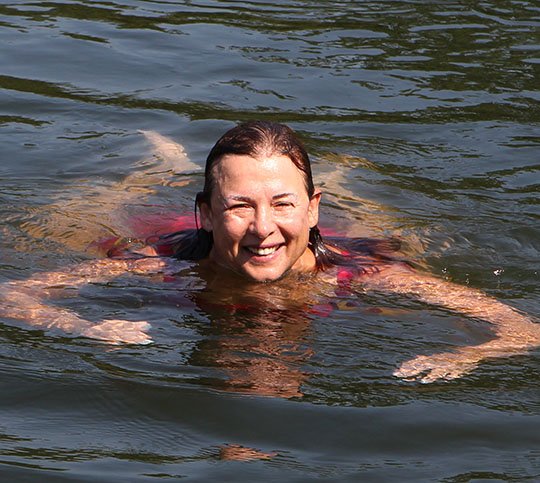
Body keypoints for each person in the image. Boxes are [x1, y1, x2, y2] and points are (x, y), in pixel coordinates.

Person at [1, 121, 538, 383]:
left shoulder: (365, 273)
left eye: (283, 203)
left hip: (344, 239)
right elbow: (11, 295)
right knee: (99, 209)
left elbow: (522, 329)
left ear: (311, 209)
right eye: (239, 206)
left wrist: (464, 355)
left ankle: (348, 180)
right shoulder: (156, 263)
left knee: (389, 231)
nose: (263, 230)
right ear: (207, 213)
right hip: (175, 234)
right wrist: (86, 327)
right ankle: (156, 161)